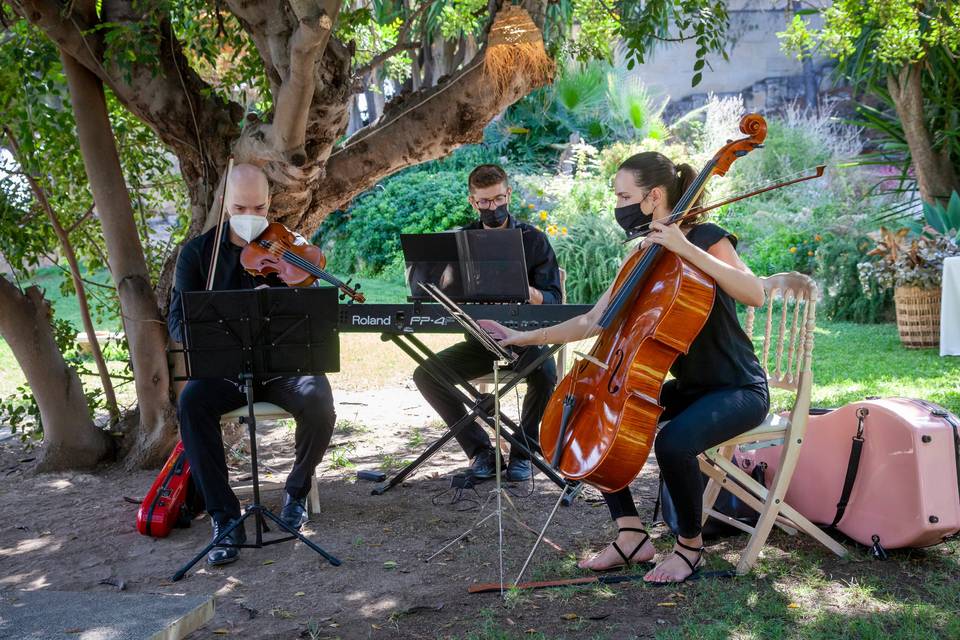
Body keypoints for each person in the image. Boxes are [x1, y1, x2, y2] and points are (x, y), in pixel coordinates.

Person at [478, 152, 769, 583]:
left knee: (672, 444)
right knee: (593, 420)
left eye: (623, 195)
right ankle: (631, 535)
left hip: (738, 389)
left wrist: (684, 247)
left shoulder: (706, 237)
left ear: (653, 197)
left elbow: (755, 293)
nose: (618, 205)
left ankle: (691, 548)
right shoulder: (642, 255)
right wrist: (518, 337)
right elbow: (593, 321)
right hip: (691, 387)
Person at [167, 164, 337, 567]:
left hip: (282, 367)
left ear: (269, 203)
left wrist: (290, 292)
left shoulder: (287, 248)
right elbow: (177, 322)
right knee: (192, 404)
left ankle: (295, 493)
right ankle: (225, 519)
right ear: (225, 204)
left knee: (319, 403)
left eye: (259, 206)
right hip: (225, 369)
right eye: (241, 206)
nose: (251, 214)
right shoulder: (196, 254)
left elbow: (311, 313)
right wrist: (219, 318)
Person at [412, 164, 563, 482]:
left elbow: (554, 300)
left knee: (546, 373)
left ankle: (523, 450)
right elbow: (434, 289)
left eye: (498, 199)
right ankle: (481, 451)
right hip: (478, 342)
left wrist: (527, 290)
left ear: (508, 194)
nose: (492, 208)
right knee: (426, 375)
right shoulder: (460, 241)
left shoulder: (533, 240)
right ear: (472, 202)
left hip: (524, 340)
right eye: (484, 202)